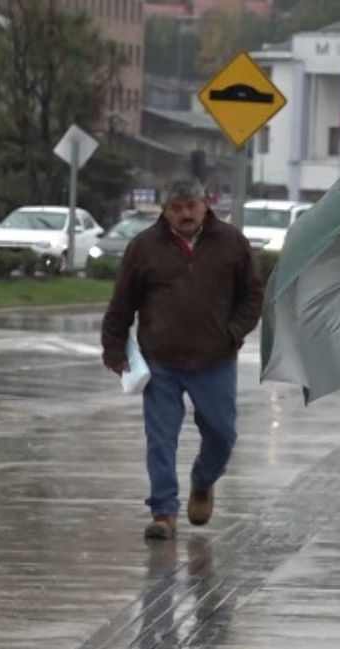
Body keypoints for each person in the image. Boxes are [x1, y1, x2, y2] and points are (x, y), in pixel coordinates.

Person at [100, 178, 264, 540]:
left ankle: (203, 482)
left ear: (205, 204)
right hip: (161, 361)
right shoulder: (143, 247)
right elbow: (122, 303)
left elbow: (253, 296)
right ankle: (164, 512)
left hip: (215, 360)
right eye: (176, 207)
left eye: (191, 205)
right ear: (164, 210)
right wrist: (113, 348)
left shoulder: (231, 243)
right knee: (161, 438)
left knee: (222, 435)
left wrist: (233, 333)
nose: (185, 214)